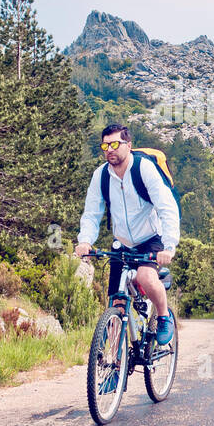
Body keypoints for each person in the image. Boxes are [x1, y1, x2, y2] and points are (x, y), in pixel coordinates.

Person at [75, 124, 178, 345]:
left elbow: (166, 207)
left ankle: (163, 316)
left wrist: (169, 247)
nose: (109, 149)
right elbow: (92, 214)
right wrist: (85, 241)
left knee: (145, 276)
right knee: (116, 303)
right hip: (121, 242)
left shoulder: (144, 169)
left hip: (151, 238)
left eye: (114, 144)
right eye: (105, 145)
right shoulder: (101, 175)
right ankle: (114, 365)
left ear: (128, 145)